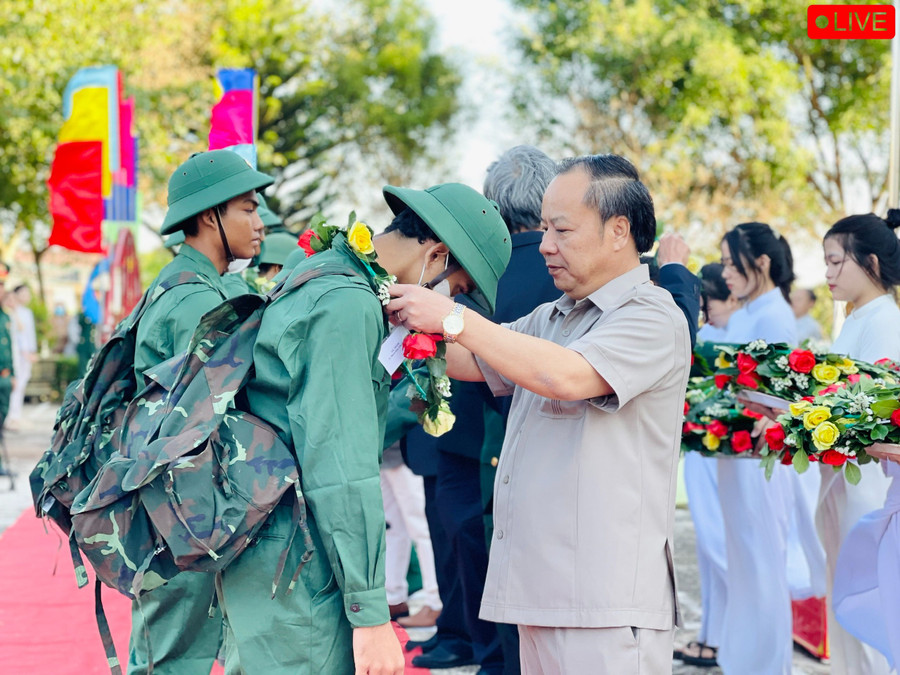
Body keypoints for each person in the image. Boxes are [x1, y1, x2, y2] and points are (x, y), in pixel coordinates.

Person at [387, 154, 691, 673]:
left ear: (619, 231)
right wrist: (391, 311)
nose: (545, 244)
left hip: (603, 602)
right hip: (544, 591)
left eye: (562, 229)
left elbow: (566, 376)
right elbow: (473, 360)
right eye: (545, 227)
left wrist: (454, 319)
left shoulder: (652, 314)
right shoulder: (556, 314)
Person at [217, 182, 512, 675]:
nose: (449, 302)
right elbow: (341, 465)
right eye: (455, 288)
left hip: (270, 546)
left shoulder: (319, 269)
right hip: (301, 560)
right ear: (436, 254)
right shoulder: (349, 303)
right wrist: (371, 617)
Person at [127, 149, 274, 675]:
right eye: (248, 209)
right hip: (180, 509)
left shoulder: (195, 286)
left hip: (182, 505)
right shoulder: (194, 302)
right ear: (211, 215)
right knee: (172, 660)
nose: (259, 225)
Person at [716, 222, 814, 675]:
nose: (725, 272)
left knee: (763, 563)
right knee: (744, 562)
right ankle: (742, 659)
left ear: (761, 264)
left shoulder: (775, 315)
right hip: (735, 455)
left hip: (762, 458)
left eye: (731, 263)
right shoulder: (743, 316)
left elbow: (781, 399)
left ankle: (768, 664)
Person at [817, 213, 899, 674]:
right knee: (844, 600)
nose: (827, 274)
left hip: (868, 484)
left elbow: (874, 414)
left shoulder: (886, 321)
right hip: (844, 477)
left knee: (865, 599)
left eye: (834, 262)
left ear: (869, 262)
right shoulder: (857, 318)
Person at [676, 263, 738, 668]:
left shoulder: (729, 334)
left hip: (721, 451)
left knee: (721, 547)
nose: (705, 309)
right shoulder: (712, 333)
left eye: (709, 300)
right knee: (708, 547)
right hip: (704, 452)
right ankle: (713, 634)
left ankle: (725, 635)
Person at [6, 284, 37, 430]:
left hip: (27, 353)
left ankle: (15, 415)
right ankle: (11, 416)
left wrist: (32, 351)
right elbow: (19, 333)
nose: (27, 296)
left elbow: (29, 335)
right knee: (15, 384)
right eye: (24, 293)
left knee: (21, 384)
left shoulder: (27, 312)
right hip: (17, 353)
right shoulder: (10, 312)